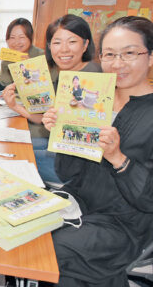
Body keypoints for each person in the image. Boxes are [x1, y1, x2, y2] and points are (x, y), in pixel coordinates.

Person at [42, 16, 153, 286]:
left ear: (150, 57)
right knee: (21, 228)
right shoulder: (93, 100)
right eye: (110, 54)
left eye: (130, 53)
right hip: (79, 202)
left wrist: (118, 158)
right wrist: (63, 133)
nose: (117, 63)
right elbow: (66, 172)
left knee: (52, 253)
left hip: (124, 222)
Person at [2, 14, 101, 184]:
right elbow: (45, 119)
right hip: (62, 151)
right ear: (49, 46)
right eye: (57, 42)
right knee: (13, 147)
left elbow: (82, 140)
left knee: (11, 159)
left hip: (79, 167)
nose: (63, 49)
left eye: (72, 41)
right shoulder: (68, 73)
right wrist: (15, 107)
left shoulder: (90, 76)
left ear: (85, 44)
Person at [0, 18, 44, 91]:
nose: (16, 42)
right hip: (13, 102)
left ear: (30, 38)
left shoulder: (42, 56)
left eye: (21, 37)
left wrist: (30, 68)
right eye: (12, 37)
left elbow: (46, 93)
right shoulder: (7, 61)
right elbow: (1, 92)